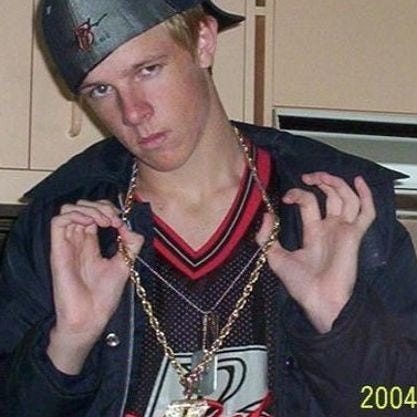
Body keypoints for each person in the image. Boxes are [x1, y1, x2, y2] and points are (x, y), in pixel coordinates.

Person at [1, 1, 417, 416]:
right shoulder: (59, 234)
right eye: (101, 90)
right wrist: (69, 342)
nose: (133, 112)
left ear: (203, 41)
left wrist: (338, 323)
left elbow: (401, 403)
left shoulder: (340, 212)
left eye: (148, 69)